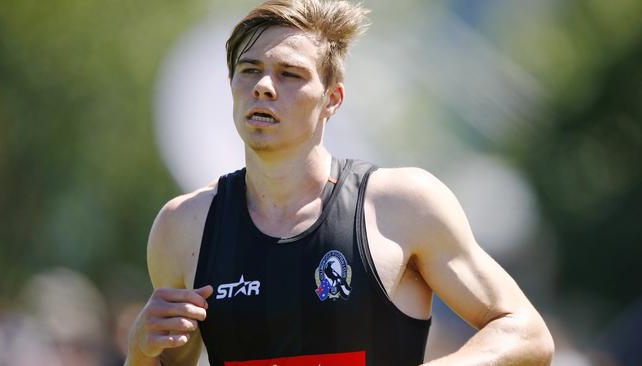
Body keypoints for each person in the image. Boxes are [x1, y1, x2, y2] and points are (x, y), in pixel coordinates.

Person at [125, 0, 555, 365]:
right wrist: (140, 350)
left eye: (290, 74)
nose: (264, 87)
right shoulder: (184, 226)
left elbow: (526, 332)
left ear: (333, 98)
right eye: (249, 70)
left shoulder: (400, 206)